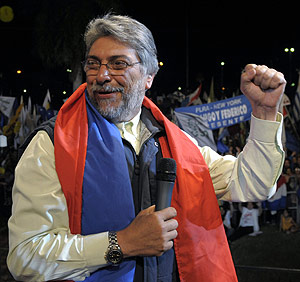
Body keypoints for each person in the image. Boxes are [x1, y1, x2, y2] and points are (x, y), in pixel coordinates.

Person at [7, 14, 285, 282]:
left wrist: (264, 112)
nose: (102, 75)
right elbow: (25, 257)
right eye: (93, 63)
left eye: (118, 64)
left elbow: (254, 184)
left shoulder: (176, 143)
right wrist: (122, 243)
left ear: (148, 76)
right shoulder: (50, 143)